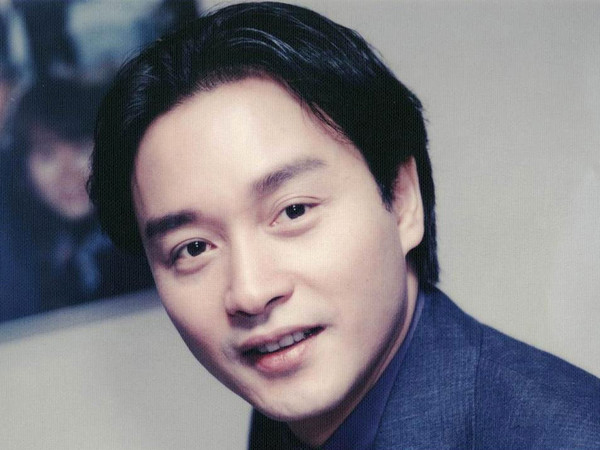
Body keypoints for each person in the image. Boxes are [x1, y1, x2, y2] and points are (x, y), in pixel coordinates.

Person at [89, 2, 600, 448]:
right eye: (194, 247)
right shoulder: (284, 425)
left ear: (402, 200)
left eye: (294, 211)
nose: (250, 292)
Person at [0, 79, 154, 322]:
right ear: (25, 172)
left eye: (81, 148)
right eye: (48, 155)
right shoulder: (29, 243)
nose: (68, 173)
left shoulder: (137, 234)